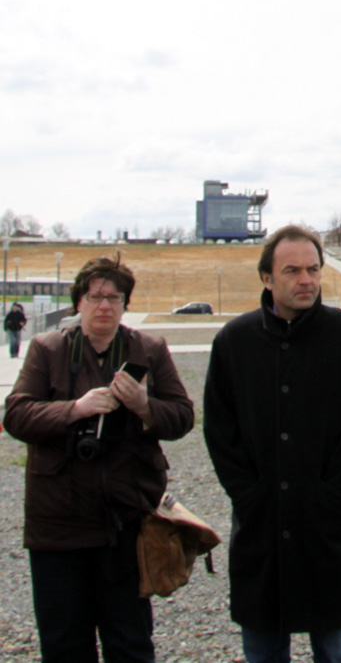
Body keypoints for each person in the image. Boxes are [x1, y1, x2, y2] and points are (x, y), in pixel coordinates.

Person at [204, 225, 341, 663]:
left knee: (335, 651)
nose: (306, 279)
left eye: (313, 269)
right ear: (267, 278)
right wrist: (247, 495)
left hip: (328, 529)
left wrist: (333, 494)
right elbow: (219, 429)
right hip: (260, 528)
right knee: (263, 650)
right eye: (292, 270)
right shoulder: (234, 343)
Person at [3, 254, 194, 662]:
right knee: (64, 646)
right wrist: (75, 409)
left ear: (125, 304)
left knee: (130, 644)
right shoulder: (47, 348)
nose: (104, 305)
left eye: (114, 297)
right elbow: (15, 414)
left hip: (125, 524)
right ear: (79, 303)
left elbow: (182, 417)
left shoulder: (149, 348)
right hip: (57, 527)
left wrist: (144, 406)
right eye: (95, 297)